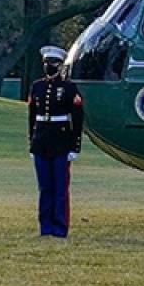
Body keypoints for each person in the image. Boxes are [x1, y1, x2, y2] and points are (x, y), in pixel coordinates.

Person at [27, 45, 85, 238]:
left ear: (60, 65)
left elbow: (77, 119)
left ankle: (60, 227)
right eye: (46, 62)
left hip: (61, 143)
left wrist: (75, 146)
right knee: (45, 187)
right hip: (41, 142)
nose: (48, 66)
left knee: (60, 188)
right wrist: (31, 142)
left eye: (52, 63)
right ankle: (45, 227)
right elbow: (32, 117)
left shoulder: (69, 88)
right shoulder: (37, 86)